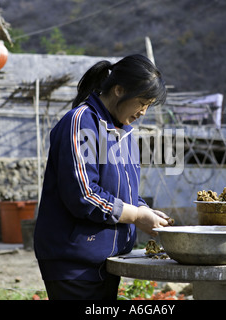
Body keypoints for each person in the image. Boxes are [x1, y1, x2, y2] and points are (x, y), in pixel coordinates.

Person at [34, 54, 171, 300]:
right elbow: (85, 195)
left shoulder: (123, 131)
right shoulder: (81, 122)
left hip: (105, 260)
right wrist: (137, 216)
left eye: (148, 105)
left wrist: (142, 208)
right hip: (73, 262)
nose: (143, 112)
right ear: (119, 90)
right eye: (142, 102)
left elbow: (121, 191)